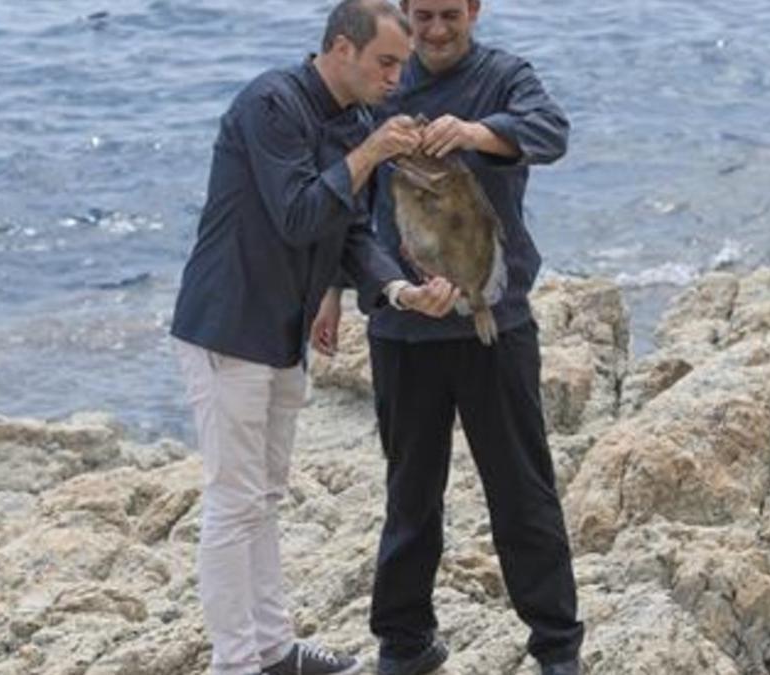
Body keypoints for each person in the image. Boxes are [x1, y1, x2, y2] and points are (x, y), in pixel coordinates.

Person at [170, 2, 460, 674]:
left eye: (401, 64)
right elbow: (301, 214)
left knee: (267, 496)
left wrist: (399, 292)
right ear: (339, 50)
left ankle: (275, 649)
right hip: (227, 327)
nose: (397, 76)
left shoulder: (354, 120)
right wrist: (372, 152)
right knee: (234, 499)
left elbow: (351, 234)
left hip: (281, 331)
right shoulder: (271, 105)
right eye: (385, 62)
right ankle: (234, 662)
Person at [309, 1, 585, 673]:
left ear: (474, 10)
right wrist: (327, 290)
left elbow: (551, 132)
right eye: (423, 15)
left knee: (522, 490)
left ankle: (557, 648)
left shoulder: (503, 77)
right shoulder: (384, 83)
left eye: (449, 15)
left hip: (496, 321)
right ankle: (404, 642)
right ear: (404, 11)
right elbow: (343, 192)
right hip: (403, 325)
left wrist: (476, 132)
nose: (435, 30)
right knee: (410, 492)